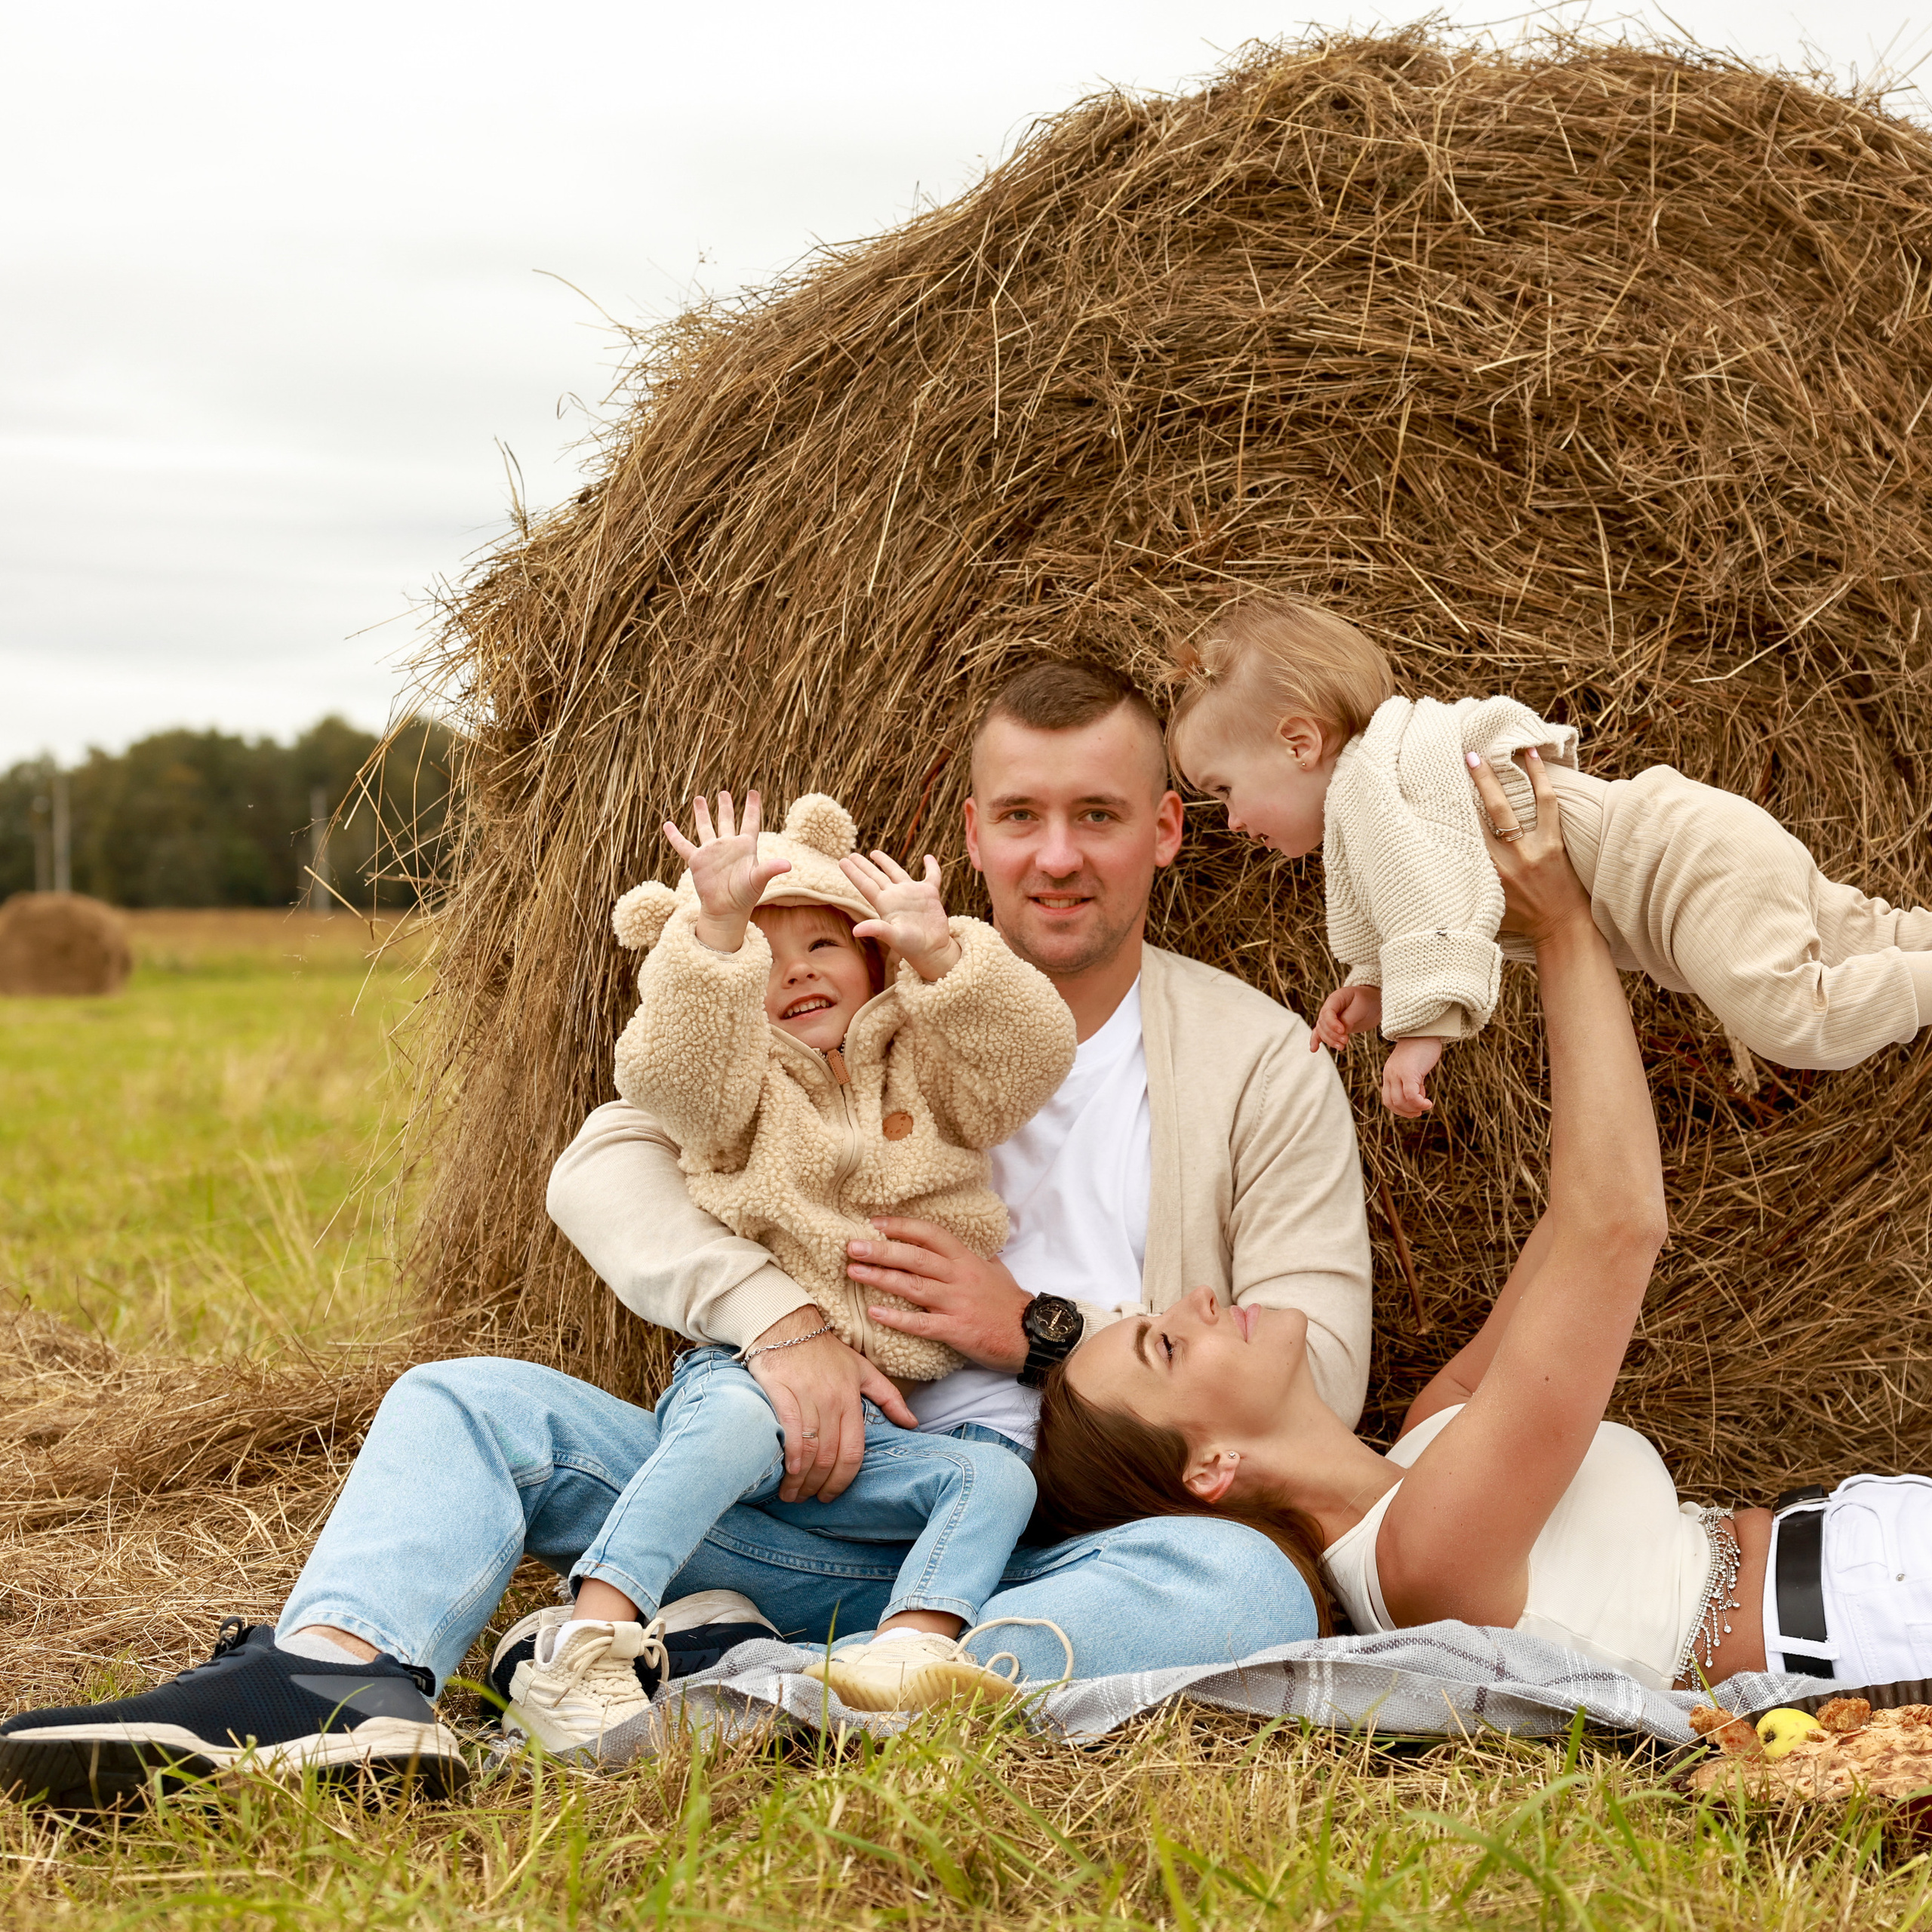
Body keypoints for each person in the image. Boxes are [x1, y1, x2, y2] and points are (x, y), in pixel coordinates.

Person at [0, 658, 1374, 1807]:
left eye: (1099, 815)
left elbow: (1323, 1380)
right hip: (793, 1493)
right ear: (971, 832)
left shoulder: (1254, 1063)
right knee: (464, 1406)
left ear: (1167, 832)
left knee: (1241, 1579)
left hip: (1042, 1548)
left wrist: (1036, 1337)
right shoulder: (844, 993)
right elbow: (601, 1167)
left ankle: (772, 1688)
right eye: (1022, 816)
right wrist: (782, 1327)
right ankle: (340, 1680)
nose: (1057, 856)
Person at [1032, 748, 1932, 1696]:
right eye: (1166, 1347)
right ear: (1210, 1469)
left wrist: (1525, 900)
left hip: (1873, 1539)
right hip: (1870, 1626)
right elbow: (1617, 1227)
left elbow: (1582, 1204)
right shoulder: (1422, 1563)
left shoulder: (1431, 1434)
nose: (1199, 1298)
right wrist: (1560, 929)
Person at [539, 783, 1073, 1723]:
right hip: (758, 1378)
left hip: (886, 1429)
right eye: (762, 956)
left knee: (998, 1477)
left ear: (871, 955)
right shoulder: (734, 1094)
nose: (793, 973)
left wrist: (942, 953)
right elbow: (665, 1072)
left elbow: (1030, 1058)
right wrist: (713, 935)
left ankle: (909, 1648)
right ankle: (591, 1634)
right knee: (736, 1425)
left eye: (823, 943)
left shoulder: (929, 1067)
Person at [1166, 594, 1932, 1118]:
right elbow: (1416, 890)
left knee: (1793, 1024)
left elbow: (1432, 899)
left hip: (1684, 865)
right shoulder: (1387, 785)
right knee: (1871, 941)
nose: (1230, 822)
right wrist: (1371, 986)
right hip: (1692, 839)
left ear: (1299, 744)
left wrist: (1419, 1032)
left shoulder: (1372, 787)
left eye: (1223, 789)